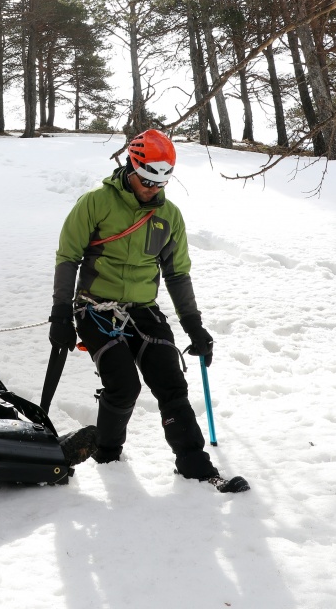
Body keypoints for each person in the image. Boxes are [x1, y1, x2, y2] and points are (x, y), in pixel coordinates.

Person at [49, 129, 227, 484]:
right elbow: (68, 258)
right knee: (124, 385)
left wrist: (194, 326)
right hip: (96, 309)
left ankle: (193, 463)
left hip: (144, 310)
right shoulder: (96, 203)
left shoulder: (169, 216)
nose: (152, 189)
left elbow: (177, 275)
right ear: (131, 167)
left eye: (160, 184)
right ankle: (108, 453)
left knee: (171, 383)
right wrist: (61, 313)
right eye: (146, 181)